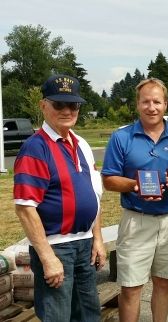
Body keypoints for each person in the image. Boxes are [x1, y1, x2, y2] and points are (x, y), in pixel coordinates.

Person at [101, 78, 168, 322]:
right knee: (131, 287)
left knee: (163, 283)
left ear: (166, 104)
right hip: (137, 220)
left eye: (157, 101)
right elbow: (109, 179)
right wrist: (136, 185)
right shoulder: (121, 137)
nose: (151, 107)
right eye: (146, 102)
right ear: (137, 104)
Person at [13, 74, 105, 321]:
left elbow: (95, 195)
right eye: (59, 104)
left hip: (85, 245)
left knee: (88, 314)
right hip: (56, 247)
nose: (67, 110)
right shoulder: (36, 147)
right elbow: (25, 208)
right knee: (58, 316)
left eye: (73, 104)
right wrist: (47, 258)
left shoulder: (82, 144)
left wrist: (97, 239)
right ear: (43, 105)